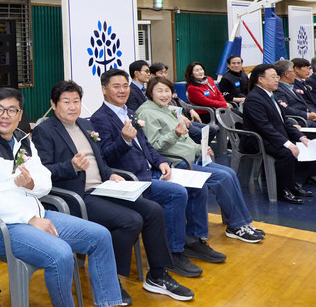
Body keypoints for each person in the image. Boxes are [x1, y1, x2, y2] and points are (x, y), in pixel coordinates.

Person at [0, 87, 123, 307]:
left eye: (12, 110)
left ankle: (109, 302)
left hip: (37, 214)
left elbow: (44, 180)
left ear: (20, 114)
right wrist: (29, 219)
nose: (5, 116)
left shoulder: (23, 140)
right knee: (61, 254)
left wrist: (31, 184)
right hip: (0, 227)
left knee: (100, 236)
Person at [34, 80, 194, 302]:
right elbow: (42, 172)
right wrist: (70, 166)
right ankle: (110, 280)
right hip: (78, 196)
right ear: (53, 104)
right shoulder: (44, 131)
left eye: (76, 101)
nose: (72, 107)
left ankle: (157, 275)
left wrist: (110, 174)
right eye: (66, 102)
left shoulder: (85, 125)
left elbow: (100, 160)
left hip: (104, 188)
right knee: (131, 221)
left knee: (153, 210)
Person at [90, 68, 226, 279]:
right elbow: (106, 156)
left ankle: (193, 240)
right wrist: (124, 140)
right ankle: (173, 253)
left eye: (125, 85)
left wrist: (161, 162)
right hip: (133, 178)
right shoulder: (99, 119)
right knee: (176, 193)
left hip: (152, 170)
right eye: (116, 86)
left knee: (197, 185)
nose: (122, 90)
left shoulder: (130, 113)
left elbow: (147, 146)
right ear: (104, 89)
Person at [136, 77, 264, 243]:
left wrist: (200, 148)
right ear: (150, 92)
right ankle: (237, 225)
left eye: (167, 90)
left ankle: (241, 222)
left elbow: (185, 140)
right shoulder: (146, 113)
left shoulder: (168, 109)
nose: (164, 94)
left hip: (191, 158)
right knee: (222, 177)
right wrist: (175, 134)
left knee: (230, 173)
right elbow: (153, 147)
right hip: (176, 163)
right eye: (159, 91)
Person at [242, 64, 316, 204]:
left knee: (304, 145)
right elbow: (264, 127)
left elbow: (284, 121)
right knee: (286, 153)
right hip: (258, 140)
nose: (277, 80)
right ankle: (282, 190)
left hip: (272, 135)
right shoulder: (254, 99)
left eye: (277, 76)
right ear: (261, 79)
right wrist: (288, 144)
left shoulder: (271, 95)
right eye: (273, 77)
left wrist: (301, 136)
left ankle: (294, 184)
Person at [150, 62, 218, 145]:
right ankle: (195, 150)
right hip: (173, 121)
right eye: (161, 73)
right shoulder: (152, 90)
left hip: (183, 117)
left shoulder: (167, 85)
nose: (164, 75)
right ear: (152, 75)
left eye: (165, 72)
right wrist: (179, 116)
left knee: (211, 130)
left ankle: (204, 150)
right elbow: (163, 108)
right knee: (198, 133)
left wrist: (191, 110)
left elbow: (179, 100)